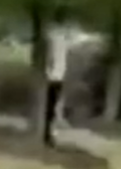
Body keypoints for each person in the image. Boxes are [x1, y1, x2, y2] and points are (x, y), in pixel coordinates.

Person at [42, 9, 74, 146]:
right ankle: (49, 135)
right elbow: (50, 54)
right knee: (52, 107)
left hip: (58, 75)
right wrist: (48, 70)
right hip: (54, 76)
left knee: (53, 107)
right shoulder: (56, 35)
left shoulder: (59, 36)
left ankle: (50, 134)